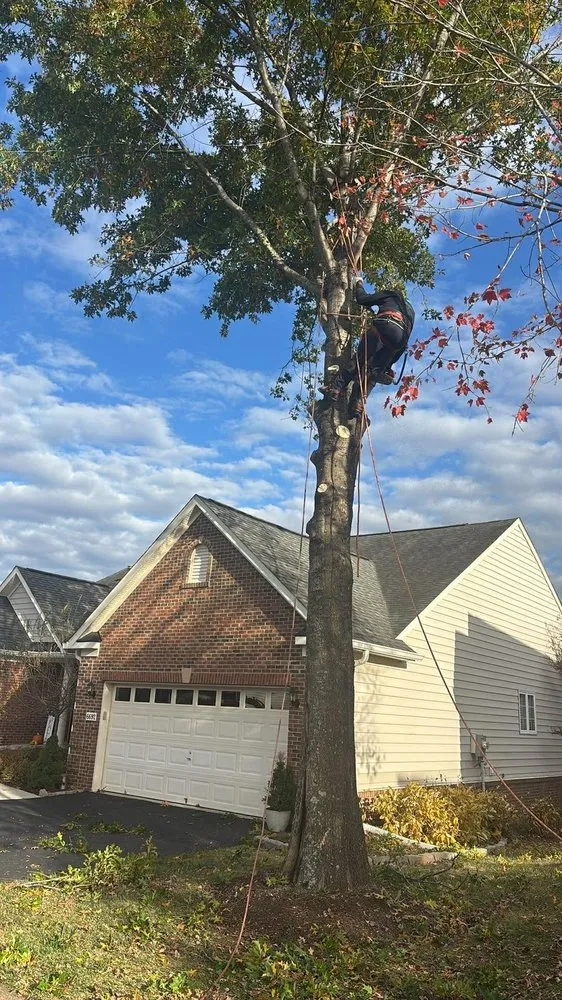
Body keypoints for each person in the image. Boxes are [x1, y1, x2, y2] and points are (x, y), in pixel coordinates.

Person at [322, 278, 415, 417]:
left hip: (385, 326)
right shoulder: (410, 310)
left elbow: (362, 299)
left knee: (359, 361)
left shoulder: (390, 294)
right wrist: (387, 365)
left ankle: (335, 389)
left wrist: (359, 284)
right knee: (373, 372)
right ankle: (357, 405)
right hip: (399, 344)